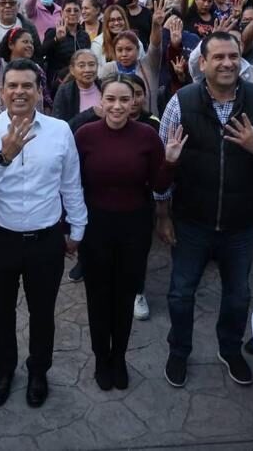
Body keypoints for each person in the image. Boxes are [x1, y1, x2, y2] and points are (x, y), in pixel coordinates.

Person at [157, 33, 253, 388]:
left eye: (233, 56)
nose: (228, 63)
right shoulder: (181, 102)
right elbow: (164, 162)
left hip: (241, 223)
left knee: (238, 295)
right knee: (180, 293)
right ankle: (179, 350)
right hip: (191, 221)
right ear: (202, 64)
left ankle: (230, 349)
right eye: (218, 57)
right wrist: (164, 214)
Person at [0, 58, 87, 408]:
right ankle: (4, 370)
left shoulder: (60, 130)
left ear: (39, 92)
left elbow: (71, 184)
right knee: (1, 311)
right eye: (12, 86)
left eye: (27, 86)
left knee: (42, 312)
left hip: (45, 240)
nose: (19, 92)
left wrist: (77, 228)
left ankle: (38, 371)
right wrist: (3, 157)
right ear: (1, 91)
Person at [74, 76, 184, 390]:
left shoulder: (147, 136)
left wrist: (172, 162)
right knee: (98, 298)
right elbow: (72, 184)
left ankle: (119, 357)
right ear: (101, 101)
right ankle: (100, 359)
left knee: (124, 297)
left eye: (125, 99)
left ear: (134, 102)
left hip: (134, 226)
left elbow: (159, 185)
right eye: (111, 99)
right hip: (95, 226)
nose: (118, 106)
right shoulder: (85, 135)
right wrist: (69, 228)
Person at [52, 49, 101, 121]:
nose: (87, 70)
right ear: (72, 70)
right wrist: (90, 113)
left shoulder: (105, 87)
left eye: (91, 65)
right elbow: (59, 127)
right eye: (81, 66)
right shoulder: (65, 92)